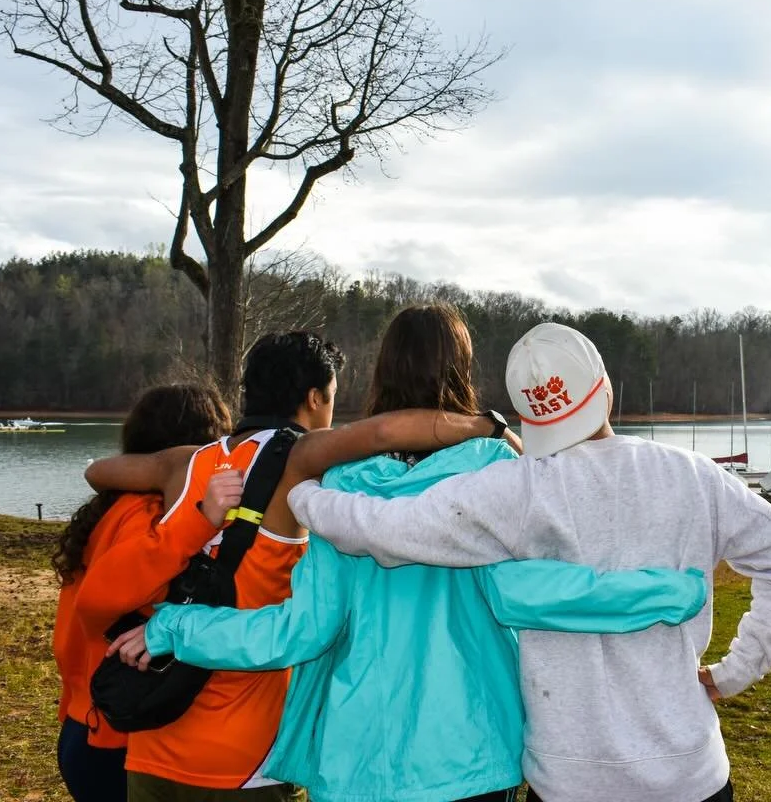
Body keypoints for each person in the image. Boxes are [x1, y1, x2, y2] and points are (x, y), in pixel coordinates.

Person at [111, 304, 707, 802]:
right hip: (472, 751)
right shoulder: (498, 468)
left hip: (357, 757)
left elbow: (299, 634)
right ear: (462, 371)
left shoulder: (339, 484)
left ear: (380, 373)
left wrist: (175, 627)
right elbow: (531, 593)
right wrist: (673, 591)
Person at [287, 322, 771, 802]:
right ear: (607, 392)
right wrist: (737, 670)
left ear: (529, 413)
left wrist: (306, 496)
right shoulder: (692, 476)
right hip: (689, 771)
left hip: (567, 779)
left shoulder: (517, 488)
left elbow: (386, 531)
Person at [80, 330, 510, 800]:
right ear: (314, 397)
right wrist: (487, 428)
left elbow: (97, 471)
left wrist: (192, 518)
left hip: (154, 734)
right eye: (331, 398)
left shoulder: (187, 461)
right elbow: (385, 432)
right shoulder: (300, 459)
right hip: (243, 756)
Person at [51, 382, 232, 802]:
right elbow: (104, 599)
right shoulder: (147, 518)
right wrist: (199, 522)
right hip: (112, 734)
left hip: (87, 724)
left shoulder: (110, 509)